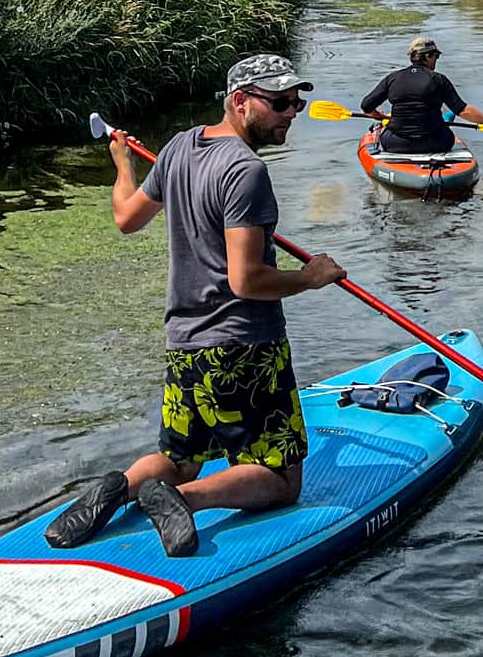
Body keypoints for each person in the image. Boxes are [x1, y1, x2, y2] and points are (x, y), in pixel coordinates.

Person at [46, 53, 343, 560]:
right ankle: (182, 499)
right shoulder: (246, 171)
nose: (291, 112)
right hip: (243, 346)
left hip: (185, 344)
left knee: (179, 457)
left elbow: (126, 218)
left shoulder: (181, 146)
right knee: (281, 477)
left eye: (296, 102)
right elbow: (246, 280)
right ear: (239, 101)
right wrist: (309, 278)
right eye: (278, 103)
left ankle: (120, 487)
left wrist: (123, 166)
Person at [360, 38, 483, 154]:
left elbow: (366, 106)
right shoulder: (438, 79)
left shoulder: (393, 78)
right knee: (446, 127)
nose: (436, 60)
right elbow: (463, 111)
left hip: (396, 144)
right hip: (435, 143)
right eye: (436, 56)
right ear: (428, 56)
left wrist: (378, 116)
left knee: (385, 131)